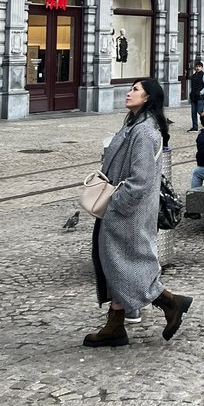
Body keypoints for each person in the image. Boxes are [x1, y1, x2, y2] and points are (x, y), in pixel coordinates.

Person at [84, 78, 192, 348]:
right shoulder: (133, 123)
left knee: (126, 265)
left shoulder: (145, 132)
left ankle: (170, 302)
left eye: (135, 90)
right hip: (120, 209)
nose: (129, 93)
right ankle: (115, 325)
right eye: (130, 88)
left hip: (127, 212)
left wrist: (115, 203)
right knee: (113, 264)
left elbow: (141, 180)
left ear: (147, 98)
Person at [187, 60, 204, 132]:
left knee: (200, 111)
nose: (198, 68)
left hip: (201, 97)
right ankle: (194, 126)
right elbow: (191, 87)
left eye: (199, 66)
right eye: (196, 66)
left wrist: (201, 92)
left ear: (202, 68)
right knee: (193, 112)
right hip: (194, 96)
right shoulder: (193, 76)